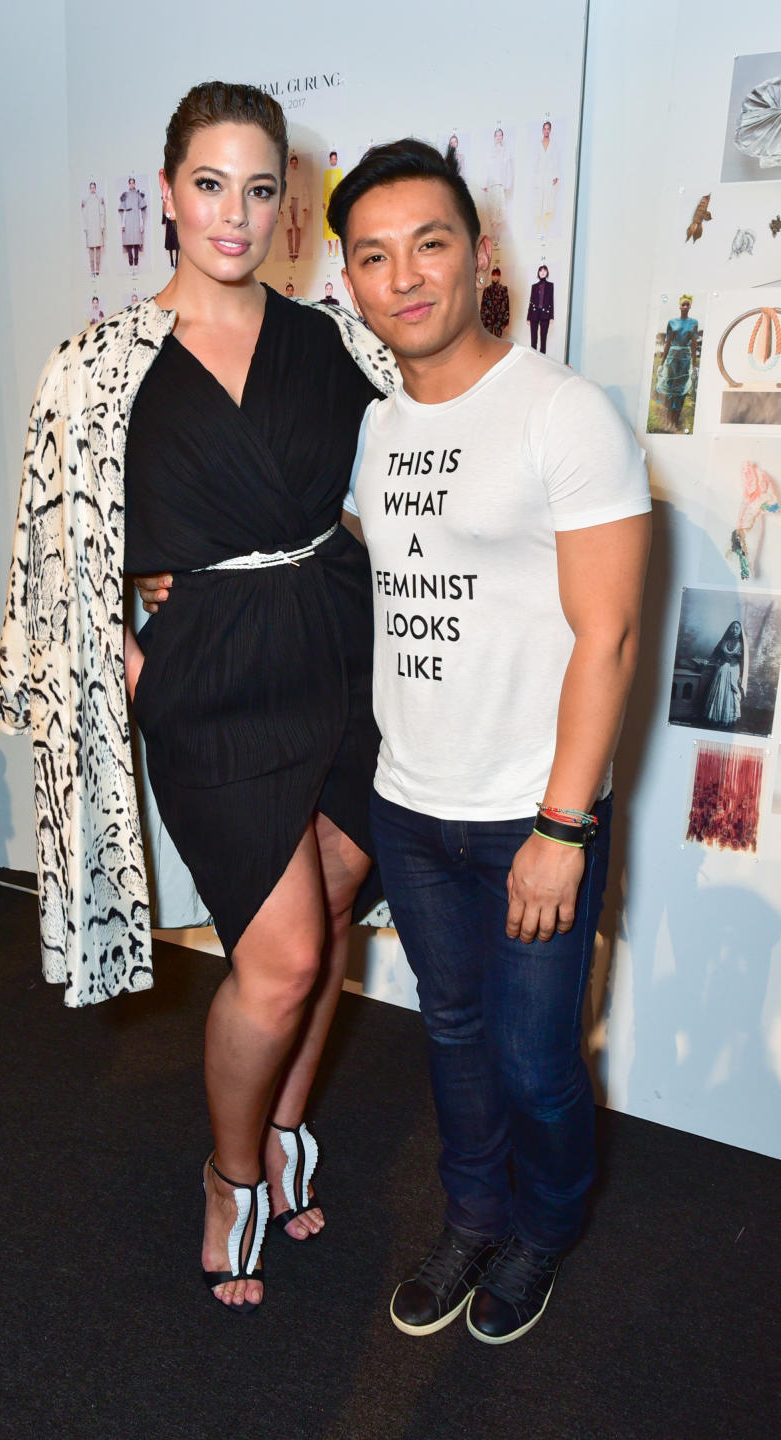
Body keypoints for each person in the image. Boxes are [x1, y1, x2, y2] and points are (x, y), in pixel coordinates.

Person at [0, 81, 398, 1316]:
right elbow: (54, 539)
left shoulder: (336, 340)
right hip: (214, 682)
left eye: (261, 187)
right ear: (168, 194)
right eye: (210, 184)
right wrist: (105, 636)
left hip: (338, 649)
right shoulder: (97, 365)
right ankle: (231, 1173)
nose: (234, 210)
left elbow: (424, 474)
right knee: (275, 960)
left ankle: (282, 1131)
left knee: (331, 903)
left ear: (290, 208)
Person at [325, 138, 651, 1344]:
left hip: (532, 812)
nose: (404, 276)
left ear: (479, 255)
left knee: (534, 1063)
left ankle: (546, 1228)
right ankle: (473, 1214)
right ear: (349, 278)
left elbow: (607, 636)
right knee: (450, 1037)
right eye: (374, 255)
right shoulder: (373, 431)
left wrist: (563, 829)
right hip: (410, 803)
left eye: (431, 244)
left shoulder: (564, 414)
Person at [654, 295, 699, 433]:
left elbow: (694, 344)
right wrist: (662, 363)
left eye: (687, 304)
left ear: (690, 306)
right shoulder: (672, 322)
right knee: (669, 390)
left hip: (685, 358)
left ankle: (675, 422)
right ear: (679, 306)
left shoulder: (694, 322)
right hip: (672, 357)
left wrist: (694, 364)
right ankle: (668, 422)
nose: (685, 307)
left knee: (681, 391)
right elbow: (667, 342)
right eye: (683, 304)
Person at [697, 621, 745, 727]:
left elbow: (743, 662)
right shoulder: (724, 641)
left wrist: (741, 675)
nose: (734, 630)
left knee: (731, 694)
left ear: (741, 631)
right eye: (732, 628)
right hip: (722, 669)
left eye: (737, 628)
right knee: (719, 691)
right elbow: (715, 654)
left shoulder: (742, 645)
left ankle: (728, 718)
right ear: (729, 629)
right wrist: (708, 661)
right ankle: (716, 716)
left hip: (734, 670)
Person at [481, 127, 512, 246]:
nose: (498, 137)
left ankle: (497, 235)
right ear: (494, 137)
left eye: (500, 135)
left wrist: (507, 185)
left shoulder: (506, 152)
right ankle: (493, 233)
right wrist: (484, 184)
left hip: (500, 185)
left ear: (502, 137)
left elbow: (508, 169)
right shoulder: (490, 152)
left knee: (500, 211)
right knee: (491, 210)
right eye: (496, 135)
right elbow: (486, 169)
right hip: (491, 185)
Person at [282, 152, 311, 264]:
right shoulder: (287, 177)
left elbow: (305, 192)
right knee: (289, 227)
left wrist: (305, 205)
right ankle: (290, 252)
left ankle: (296, 251)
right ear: (290, 164)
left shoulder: (301, 176)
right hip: (289, 202)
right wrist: (282, 208)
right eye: (292, 163)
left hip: (298, 202)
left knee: (298, 227)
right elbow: (283, 193)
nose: (294, 165)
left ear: (297, 164)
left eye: (295, 163)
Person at [533, 120, 560, 234]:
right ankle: (539, 230)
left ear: (550, 130)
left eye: (548, 128)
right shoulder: (538, 144)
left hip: (549, 177)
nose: (546, 130)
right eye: (545, 128)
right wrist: (535, 178)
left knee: (549, 202)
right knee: (539, 202)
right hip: (540, 177)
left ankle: (546, 229)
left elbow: (556, 160)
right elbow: (535, 162)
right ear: (542, 130)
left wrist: (556, 176)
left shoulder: (553, 145)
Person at [119, 175, 147, 268]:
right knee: (128, 243)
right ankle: (130, 264)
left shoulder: (138, 195)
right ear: (128, 184)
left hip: (136, 219)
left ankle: (136, 265)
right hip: (128, 220)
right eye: (130, 183)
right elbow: (123, 210)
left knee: (136, 243)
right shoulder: (125, 195)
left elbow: (141, 209)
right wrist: (122, 223)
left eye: (133, 183)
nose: (131, 184)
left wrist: (141, 222)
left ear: (134, 183)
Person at [527, 264, 554, 353]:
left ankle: (542, 360)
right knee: (533, 339)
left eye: (544, 270)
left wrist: (551, 316)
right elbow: (531, 302)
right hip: (534, 313)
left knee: (543, 339)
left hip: (545, 314)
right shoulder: (534, 286)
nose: (542, 272)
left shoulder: (550, 285)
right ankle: (533, 358)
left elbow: (551, 301)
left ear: (547, 273)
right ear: (538, 273)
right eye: (541, 270)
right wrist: (528, 317)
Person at [323, 149, 344, 258]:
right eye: (332, 159)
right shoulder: (326, 173)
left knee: (335, 220)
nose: (333, 161)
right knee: (327, 222)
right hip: (327, 199)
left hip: (336, 198)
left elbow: (341, 187)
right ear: (329, 160)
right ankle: (330, 246)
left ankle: (336, 246)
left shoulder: (339, 172)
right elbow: (325, 187)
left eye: (335, 159)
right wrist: (323, 201)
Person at [82, 180, 105, 277]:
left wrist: (102, 226)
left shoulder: (99, 199)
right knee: (91, 248)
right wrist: (85, 227)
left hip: (97, 226)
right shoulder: (86, 201)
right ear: (89, 189)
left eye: (93, 187)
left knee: (98, 247)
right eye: (91, 187)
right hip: (90, 227)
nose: (92, 189)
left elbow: (102, 213)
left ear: (95, 188)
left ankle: (97, 269)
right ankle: (92, 270)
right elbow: (84, 215)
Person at [479, 265, 509, 337]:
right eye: (494, 275)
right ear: (491, 276)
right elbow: (483, 306)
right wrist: (483, 320)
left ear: (499, 276)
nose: (495, 277)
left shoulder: (503, 289)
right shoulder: (487, 290)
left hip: (499, 321)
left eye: (497, 275)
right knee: (487, 340)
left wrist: (505, 321)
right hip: (488, 320)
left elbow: (506, 306)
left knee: (497, 342)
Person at [161, 202, 179, 268]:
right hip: (169, 223)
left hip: (176, 223)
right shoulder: (166, 202)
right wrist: (164, 220)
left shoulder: (177, 200)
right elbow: (164, 211)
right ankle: (171, 262)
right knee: (170, 243)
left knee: (177, 243)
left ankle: (176, 262)